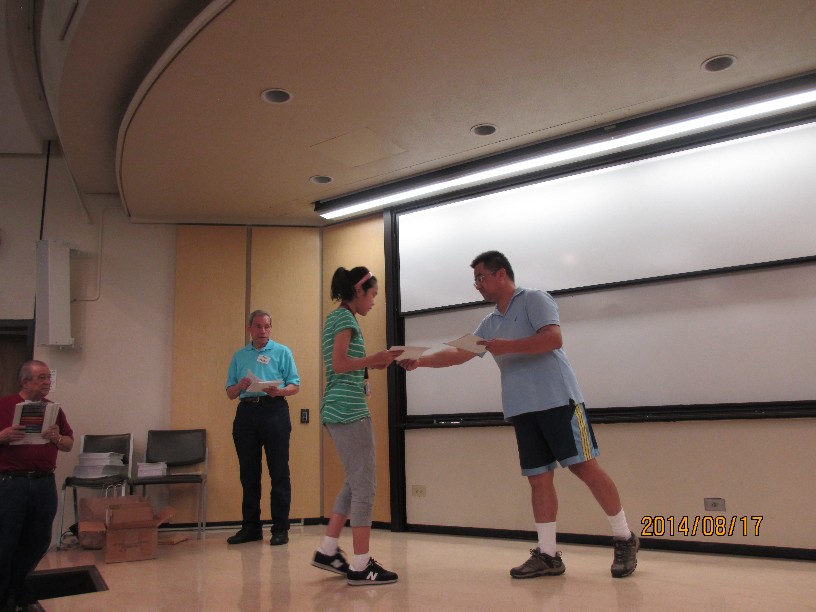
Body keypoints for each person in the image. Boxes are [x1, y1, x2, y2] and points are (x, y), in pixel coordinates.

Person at [400, 251, 639, 579]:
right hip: (523, 409)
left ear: (500, 274)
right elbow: (458, 352)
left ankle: (624, 537)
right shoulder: (490, 322)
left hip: (559, 401)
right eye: (475, 280)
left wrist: (507, 346)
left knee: (585, 468)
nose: (477, 285)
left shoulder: (534, 299)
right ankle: (548, 555)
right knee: (538, 479)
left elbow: (553, 338)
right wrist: (420, 361)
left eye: (481, 277)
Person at [311, 267, 401, 586]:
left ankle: (328, 550)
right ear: (359, 291)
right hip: (349, 411)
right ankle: (361, 566)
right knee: (365, 487)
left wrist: (375, 363)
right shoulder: (345, 319)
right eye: (373, 294)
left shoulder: (337, 318)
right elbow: (339, 365)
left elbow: (345, 367)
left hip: (339, 408)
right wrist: (373, 358)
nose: (374, 301)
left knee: (354, 482)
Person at [0, 360, 74, 611]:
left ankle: (20, 595)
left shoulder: (53, 410)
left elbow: (68, 444)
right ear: (25, 381)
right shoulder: (3, 406)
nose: (47, 382)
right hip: (12, 484)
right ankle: (4, 600)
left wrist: (56, 437)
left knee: (39, 541)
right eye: (41, 377)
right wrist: (2, 437)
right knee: (6, 542)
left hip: (44, 483)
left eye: (48, 377)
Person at [225, 310, 300, 546]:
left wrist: (280, 391)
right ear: (250, 328)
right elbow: (230, 393)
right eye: (258, 326)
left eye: (267, 326)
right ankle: (251, 528)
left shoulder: (282, 351)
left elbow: (295, 385)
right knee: (248, 473)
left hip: (275, 410)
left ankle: (280, 528)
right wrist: (240, 385)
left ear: (271, 328)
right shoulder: (239, 356)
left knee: (279, 472)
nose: (263, 331)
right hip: (246, 412)